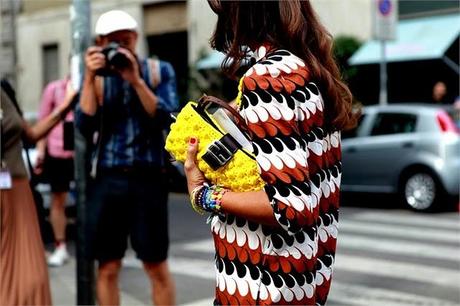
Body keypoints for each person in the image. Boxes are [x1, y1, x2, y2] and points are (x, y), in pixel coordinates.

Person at [183, 1, 356, 305]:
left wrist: (203, 194)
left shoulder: (267, 78)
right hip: (300, 283)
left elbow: (290, 206)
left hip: (262, 286)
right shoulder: (309, 70)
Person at [76, 10, 178, 305]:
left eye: (126, 40)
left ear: (136, 38)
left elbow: (167, 118)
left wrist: (135, 80)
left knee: (155, 263)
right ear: (99, 42)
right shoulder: (96, 78)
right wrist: (88, 77)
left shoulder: (159, 71)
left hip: (149, 178)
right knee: (107, 266)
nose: (120, 47)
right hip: (108, 178)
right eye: (113, 42)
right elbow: (84, 126)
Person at [0, 78, 76, 305]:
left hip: (18, 190)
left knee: (32, 274)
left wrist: (65, 107)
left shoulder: (3, 91)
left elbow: (31, 134)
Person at [35, 76, 75, 266]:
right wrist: (41, 152)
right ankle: (60, 246)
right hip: (58, 151)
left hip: (86, 153)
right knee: (58, 199)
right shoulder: (55, 88)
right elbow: (43, 120)